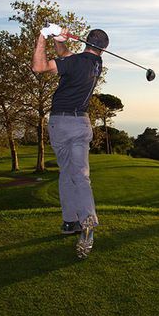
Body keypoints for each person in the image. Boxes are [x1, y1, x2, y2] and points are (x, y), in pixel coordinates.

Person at [31, 26, 108, 258]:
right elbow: (66, 57)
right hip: (81, 123)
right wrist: (59, 40)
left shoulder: (77, 62)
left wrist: (43, 36)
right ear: (103, 49)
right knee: (75, 173)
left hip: (60, 123)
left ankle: (84, 223)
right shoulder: (96, 64)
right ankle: (71, 222)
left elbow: (39, 67)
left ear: (85, 42)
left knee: (71, 174)